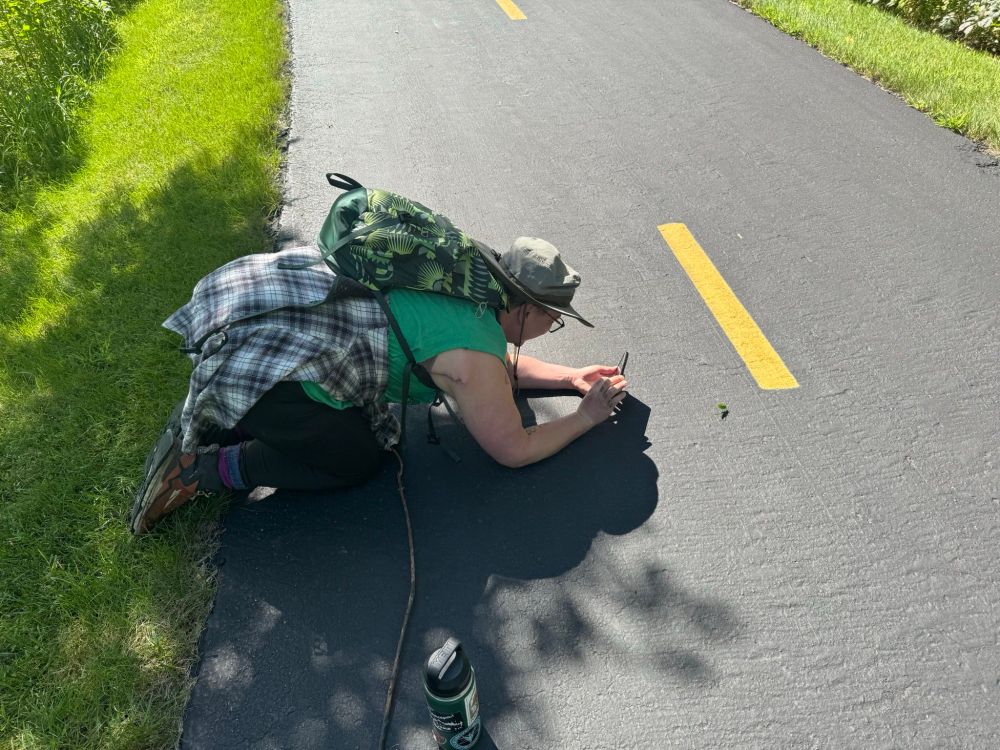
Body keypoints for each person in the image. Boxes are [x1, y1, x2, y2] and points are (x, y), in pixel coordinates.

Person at [130, 236, 628, 534]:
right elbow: (513, 449)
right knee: (360, 458)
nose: (551, 327)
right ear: (526, 310)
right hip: (279, 365)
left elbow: (490, 371)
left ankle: (224, 414)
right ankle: (209, 468)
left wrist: (569, 377)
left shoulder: (462, 278)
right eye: (553, 319)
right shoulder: (474, 353)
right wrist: (586, 418)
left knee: (336, 418)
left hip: (263, 315)